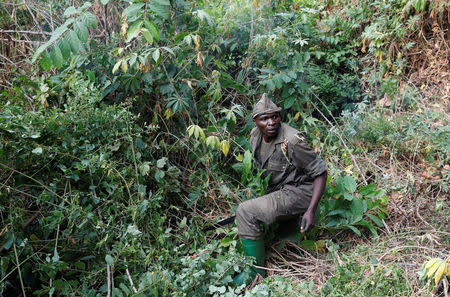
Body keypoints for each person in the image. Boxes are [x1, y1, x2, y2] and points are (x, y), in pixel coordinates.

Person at [233, 93, 328, 284]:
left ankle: (255, 275)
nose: (271, 122)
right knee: (249, 210)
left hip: (301, 190)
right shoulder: (255, 137)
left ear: (280, 117)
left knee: (245, 211)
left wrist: (311, 210)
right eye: (264, 118)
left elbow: (321, 173)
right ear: (255, 122)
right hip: (281, 188)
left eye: (275, 116)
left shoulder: (291, 140)